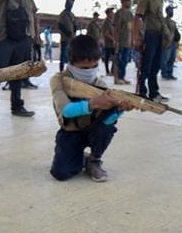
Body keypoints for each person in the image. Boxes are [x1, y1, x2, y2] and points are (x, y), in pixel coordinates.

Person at [49, 35, 135, 182]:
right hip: (70, 132)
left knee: (106, 128)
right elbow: (66, 110)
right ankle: (80, 157)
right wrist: (93, 103)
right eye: (84, 68)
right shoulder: (59, 80)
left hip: (93, 130)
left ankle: (94, 160)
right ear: (71, 62)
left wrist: (119, 110)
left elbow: (108, 121)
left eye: (94, 66)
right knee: (61, 173)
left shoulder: (99, 84)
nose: (89, 71)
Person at [134, 0, 174, 102]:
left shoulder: (160, 1)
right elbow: (138, 17)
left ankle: (154, 92)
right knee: (146, 65)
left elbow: (160, 19)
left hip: (158, 37)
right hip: (149, 36)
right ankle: (142, 91)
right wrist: (137, 37)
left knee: (155, 66)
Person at [114, 0, 134, 84]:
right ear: (123, 2)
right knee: (119, 60)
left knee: (125, 60)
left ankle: (122, 76)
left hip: (128, 41)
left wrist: (132, 40)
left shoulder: (130, 13)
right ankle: (117, 78)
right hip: (121, 40)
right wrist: (116, 40)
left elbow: (132, 27)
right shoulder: (119, 13)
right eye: (128, 1)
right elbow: (116, 28)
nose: (130, 2)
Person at [160, 5, 178, 80]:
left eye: (172, 10)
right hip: (166, 42)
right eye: (171, 10)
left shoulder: (173, 22)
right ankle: (164, 73)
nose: (172, 12)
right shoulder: (163, 21)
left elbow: (175, 32)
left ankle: (170, 73)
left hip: (173, 43)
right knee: (165, 59)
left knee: (172, 59)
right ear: (167, 11)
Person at [58, 0, 76, 71]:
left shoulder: (72, 14)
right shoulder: (62, 14)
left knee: (71, 55)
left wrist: (74, 32)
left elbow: (75, 24)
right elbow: (61, 26)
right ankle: (61, 70)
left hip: (72, 38)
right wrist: (69, 33)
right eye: (69, 3)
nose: (70, 5)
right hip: (65, 38)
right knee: (63, 55)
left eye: (72, 4)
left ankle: (71, 70)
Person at [101, 8, 116, 77]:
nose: (113, 14)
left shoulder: (112, 21)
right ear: (108, 14)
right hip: (109, 43)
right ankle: (108, 71)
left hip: (112, 43)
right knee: (108, 57)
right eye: (111, 12)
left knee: (114, 57)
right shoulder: (106, 22)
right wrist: (113, 39)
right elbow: (106, 34)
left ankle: (112, 71)